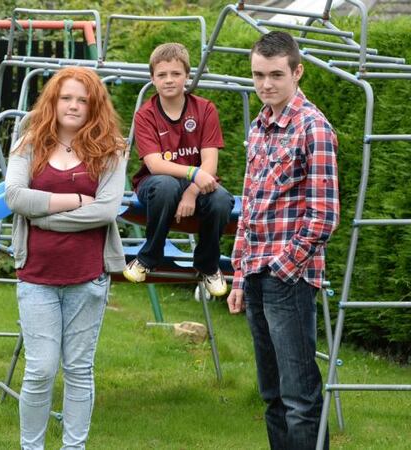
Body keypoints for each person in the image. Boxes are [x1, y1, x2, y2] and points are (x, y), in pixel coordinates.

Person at [226, 31, 339, 450]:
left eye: (276, 74)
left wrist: (283, 268)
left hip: (288, 279)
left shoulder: (314, 128)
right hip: (255, 274)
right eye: (258, 75)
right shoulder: (259, 127)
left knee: (300, 398)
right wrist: (239, 275)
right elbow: (250, 210)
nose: (266, 84)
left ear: (297, 71)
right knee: (272, 397)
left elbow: (324, 216)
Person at [5, 66, 127, 450]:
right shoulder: (28, 143)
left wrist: (43, 217)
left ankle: (74, 447)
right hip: (36, 275)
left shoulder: (112, 149)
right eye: (66, 98)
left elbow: (106, 211)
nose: (73, 105)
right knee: (40, 370)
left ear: (94, 106)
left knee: (78, 369)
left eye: (83, 99)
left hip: (87, 278)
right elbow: (14, 198)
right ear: (53, 102)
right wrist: (72, 201)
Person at [122, 42, 234, 298]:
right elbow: (154, 164)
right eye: (162, 75)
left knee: (220, 200)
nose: (169, 80)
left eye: (176, 74)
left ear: (187, 76)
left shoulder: (205, 109)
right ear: (153, 78)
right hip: (155, 183)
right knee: (166, 184)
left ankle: (207, 266)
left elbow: (210, 162)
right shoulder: (146, 114)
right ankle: (148, 257)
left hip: (196, 184)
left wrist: (192, 192)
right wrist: (193, 174)